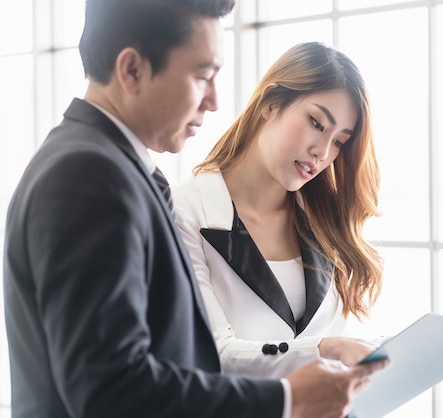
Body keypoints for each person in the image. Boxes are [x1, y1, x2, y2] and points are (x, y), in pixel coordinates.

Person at [2, 1, 388, 417]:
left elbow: (163, 360)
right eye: (202, 76)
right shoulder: (88, 177)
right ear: (132, 70)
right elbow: (109, 389)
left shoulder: (111, 168)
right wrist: (287, 400)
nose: (215, 101)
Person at [171, 42, 385, 379]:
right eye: (316, 123)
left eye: (340, 141)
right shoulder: (184, 211)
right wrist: (323, 349)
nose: (323, 152)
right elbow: (210, 354)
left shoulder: (324, 221)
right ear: (271, 103)